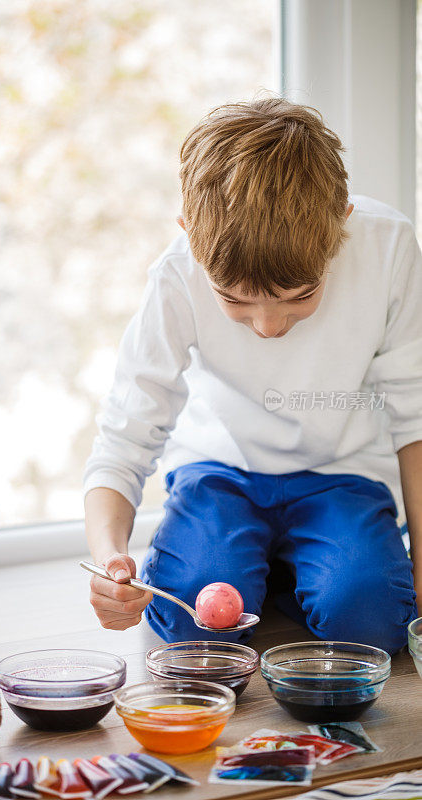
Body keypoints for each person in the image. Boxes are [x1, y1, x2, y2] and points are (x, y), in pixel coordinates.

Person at [83, 96, 421, 654]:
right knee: (193, 622)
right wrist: (108, 558)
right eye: (234, 300)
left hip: (343, 477)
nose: (267, 327)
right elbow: (125, 431)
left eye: (300, 296)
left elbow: (415, 418)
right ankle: (277, 570)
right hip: (220, 475)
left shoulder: (388, 246)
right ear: (189, 232)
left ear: (342, 224)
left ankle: (279, 573)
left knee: (373, 624)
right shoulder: (177, 273)